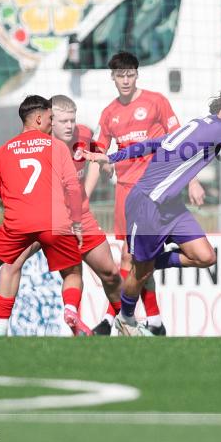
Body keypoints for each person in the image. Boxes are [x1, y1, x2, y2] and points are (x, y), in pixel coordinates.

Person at [85, 89, 221, 336]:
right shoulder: (220, 129)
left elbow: (153, 144)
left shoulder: (198, 124)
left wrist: (112, 156)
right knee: (140, 273)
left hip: (171, 206)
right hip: (148, 204)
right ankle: (126, 317)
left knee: (205, 256)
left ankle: (150, 262)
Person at [89, 51, 205, 336]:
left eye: (130, 74)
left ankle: (114, 318)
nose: (126, 80)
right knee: (134, 258)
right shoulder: (109, 113)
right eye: (120, 75)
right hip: (126, 192)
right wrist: (102, 166)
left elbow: (182, 143)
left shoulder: (156, 102)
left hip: (157, 190)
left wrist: (192, 180)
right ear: (113, 77)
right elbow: (98, 150)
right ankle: (153, 321)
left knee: (132, 257)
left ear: (137, 75)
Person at [0, 95, 122, 336]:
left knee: (111, 274)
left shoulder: (83, 134)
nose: (69, 126)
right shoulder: (39, 146)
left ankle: (124, 321)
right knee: (12, 264)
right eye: (62, 121)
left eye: (72, 120)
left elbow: (96, 154)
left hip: (80, 217)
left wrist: (101, 169)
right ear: (50, 121)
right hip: (46, 217)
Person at [0, 95, 84, 337]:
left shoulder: (3, 152)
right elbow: (73, 188)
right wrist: (76, 223)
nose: (52, 123)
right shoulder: (57, 147)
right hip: (53, 223)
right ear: (38, 118)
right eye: (50, 118)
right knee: (73, 271)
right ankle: (70, 310)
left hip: (16, 225)